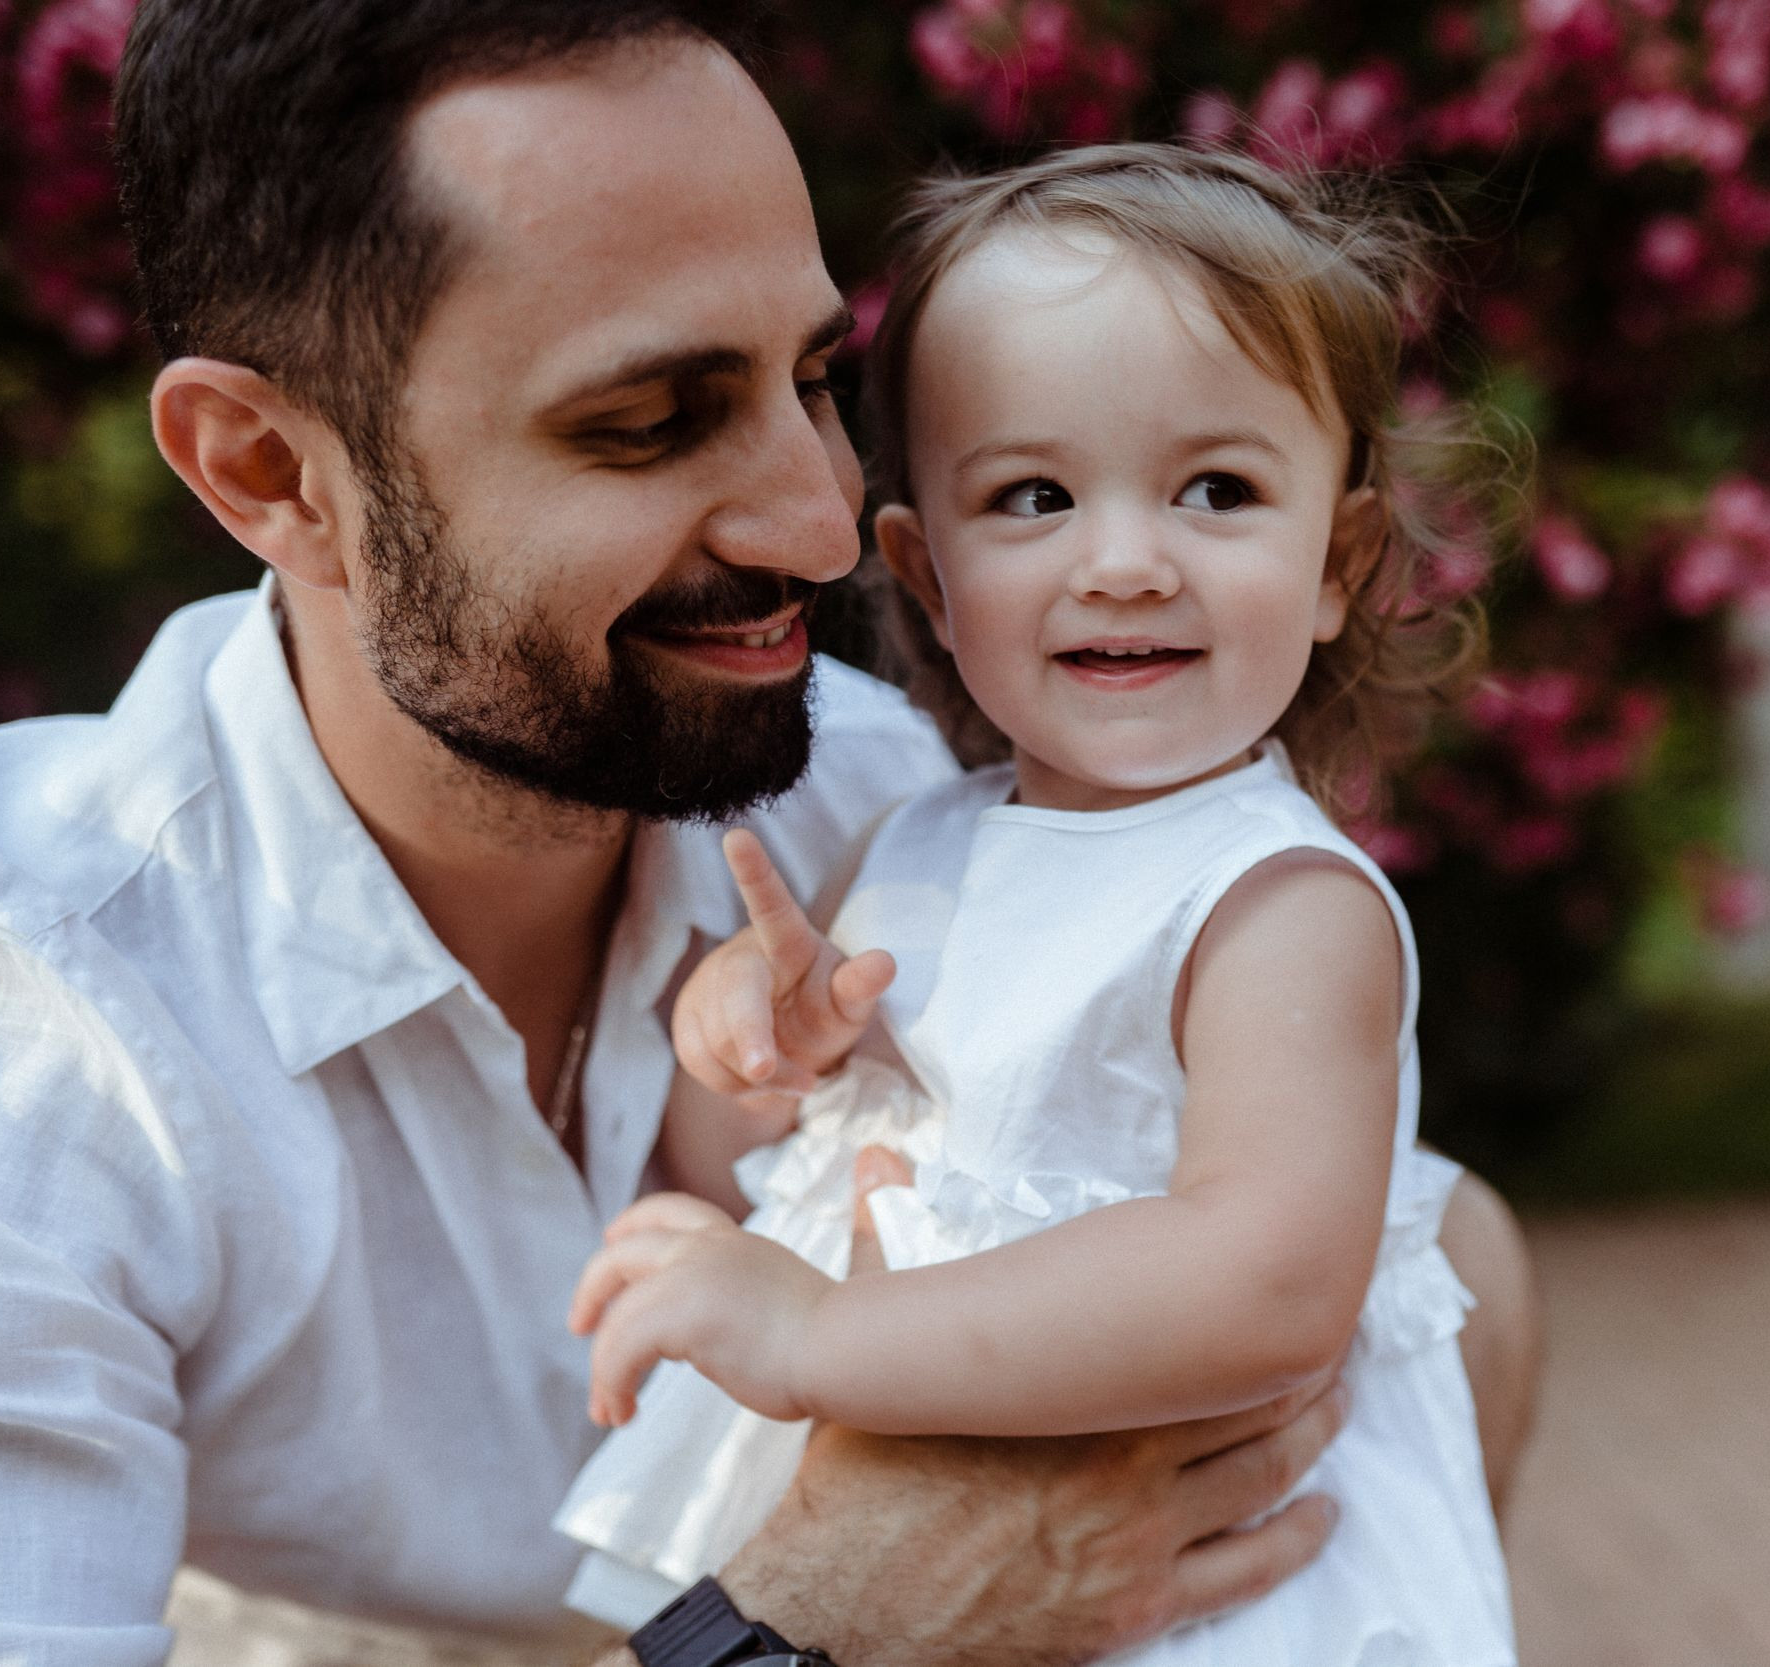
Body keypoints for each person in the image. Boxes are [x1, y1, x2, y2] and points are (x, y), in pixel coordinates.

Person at [0, 3, 1539, 1664]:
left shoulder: (881, 798)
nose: (818, 524)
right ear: (271, 472)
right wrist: (798, 1628)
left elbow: (1386, 1266)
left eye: (813, 378)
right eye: (646, 421)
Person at [556, 145, 1515, 1665]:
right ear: (928, 580)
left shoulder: (1275, 905)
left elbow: (1266, 1284)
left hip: (1199, 1577)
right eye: (1034, 495)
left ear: (1337, 560)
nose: (1125, 561)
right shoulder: (920, 843)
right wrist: (747, 1046)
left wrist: (816, 1340)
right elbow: (791, 1167)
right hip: (908, 1565)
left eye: (1217, 489)